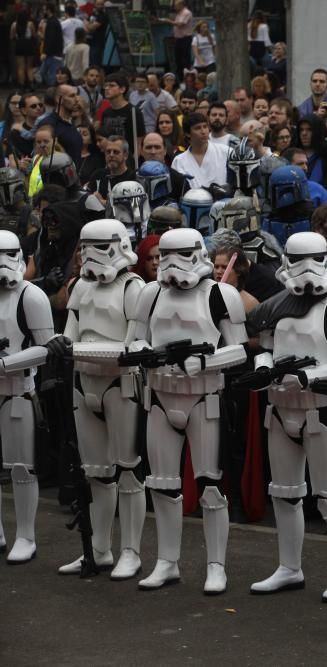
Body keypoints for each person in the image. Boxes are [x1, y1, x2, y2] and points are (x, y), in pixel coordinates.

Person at [128, 228, 248, 594]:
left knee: (210, 486)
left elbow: (240, 350)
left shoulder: (220, 294)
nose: (172, 263)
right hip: (160, 397)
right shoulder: (151, 293)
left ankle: (216, 565)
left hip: (204, 397)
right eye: (166, 255)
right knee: (161, 484)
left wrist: (204, 362)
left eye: (181, 254)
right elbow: (134, 338)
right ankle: (167, 561)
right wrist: (144, 353)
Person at [241, 231, 327, 598]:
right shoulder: (277, 304)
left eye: (313, 259)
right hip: (280, 409)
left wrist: (312, 376)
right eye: (297, 260)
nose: (306, 269)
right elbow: (266, 347)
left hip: (320, 410)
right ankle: (289, 567)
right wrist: (264, 368)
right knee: (284, 493)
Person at [52, 218, 147, 580]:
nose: (90, 255)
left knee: (128, 470)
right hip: (85, 383)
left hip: (121, 384)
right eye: (85, 248)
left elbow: (133, 346)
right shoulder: (80, 286)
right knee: (96, 474)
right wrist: (61, 345)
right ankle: (99, 549)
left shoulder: (134, 288)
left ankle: (131, 551)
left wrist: (77, 350)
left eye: (99, 247)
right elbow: (70, 333)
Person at [0, 231, 56, 563]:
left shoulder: (31, 296)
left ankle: (25, 535)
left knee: (22, 468)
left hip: (17, 389)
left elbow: (47, 348)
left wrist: (6, 364)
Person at [171, 112, 229, 189]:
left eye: (205, 127)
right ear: (188, 133)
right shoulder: (179, 161)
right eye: (197, 128)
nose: (203, 131)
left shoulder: (225, 152)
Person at [100, 72, 145, 162]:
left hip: (128, 161)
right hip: (110, 159)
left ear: (122, 89)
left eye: (112, 85)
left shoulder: (133, 111)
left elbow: (139, 142)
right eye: (106, 85)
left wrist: (134, 162)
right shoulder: (106, 113)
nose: (107, 88)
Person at [37, 84, 84, 166]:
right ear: (59, 99)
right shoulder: (48, 124)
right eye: (72, 96)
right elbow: (42, 155)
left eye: (77, 95)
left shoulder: (71, 122)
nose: (77, 99)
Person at [10, 10, 36, 90]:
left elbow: (11, 37)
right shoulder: (30, 24)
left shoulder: (14, 24)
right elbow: (34, 35)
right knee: (29, 66)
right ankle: (31, 84)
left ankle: (21, 85)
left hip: (19, 45)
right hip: (29, 45)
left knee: (21, 67)